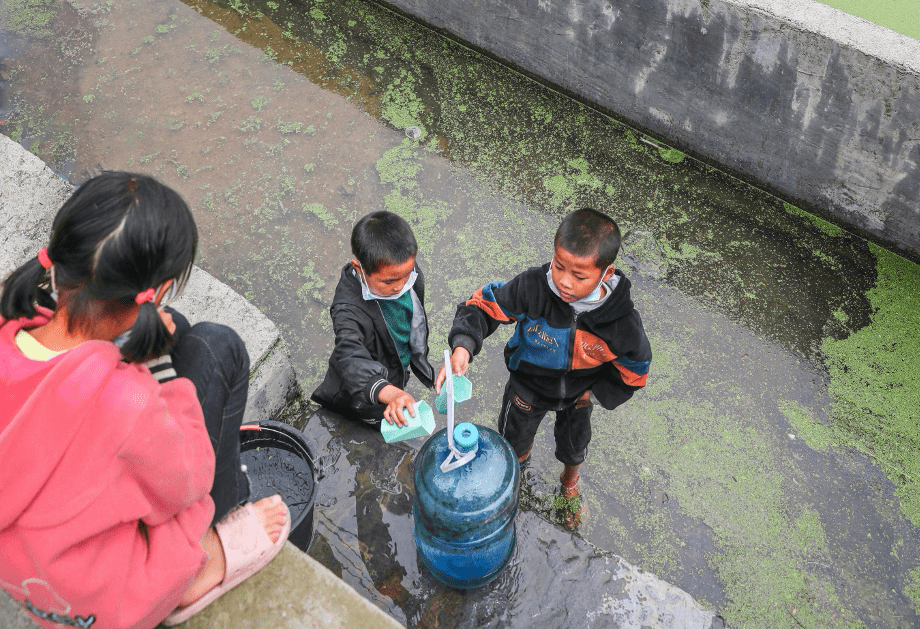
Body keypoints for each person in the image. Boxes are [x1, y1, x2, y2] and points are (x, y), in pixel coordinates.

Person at [0, 172, 289, 629]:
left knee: (182, 328)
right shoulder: (127, 403)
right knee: (219, 347)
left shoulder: (11, 325)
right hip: (98, 599)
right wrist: (156, 374)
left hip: (22, 563)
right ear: (154, 291)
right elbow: (189, 481)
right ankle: (201, 563)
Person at [436, 208, 651, 527]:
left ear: (606, 274)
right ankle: (514, 475)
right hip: (528, 387)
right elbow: (482, 306)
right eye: (558, 266)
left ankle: (569, 485)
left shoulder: (621, 322)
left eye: (579, 276)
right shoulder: (533, 287)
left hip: (579, 396)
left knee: (575, 445)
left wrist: (594, 394)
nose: (563, 282)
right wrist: (463, 347)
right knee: (514, 439)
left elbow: (636, 369)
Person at [311, 211, 435, 427]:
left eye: (407, 275)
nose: (400, 286)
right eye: (389, 282)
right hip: (361, 391)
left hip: (395, 365)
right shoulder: (347, 310)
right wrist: (389, 393)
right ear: (359, 269)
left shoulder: (403, 272)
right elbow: (350, 355)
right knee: (372, 419)